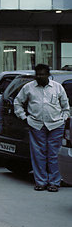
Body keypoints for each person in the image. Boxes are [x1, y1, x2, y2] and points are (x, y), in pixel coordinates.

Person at [13, 64, 70, 192]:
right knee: (38, 154)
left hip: (56, 125)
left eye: (43, 74)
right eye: (38, 74)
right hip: (36, 124)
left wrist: (64, 118)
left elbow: (65, 106)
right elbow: (17, 102)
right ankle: (41, 182)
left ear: (48, 75)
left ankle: (54, 182)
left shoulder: (57, 88)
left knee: (54, 154)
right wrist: (24, 117)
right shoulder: (28, 87)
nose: (40, 76)